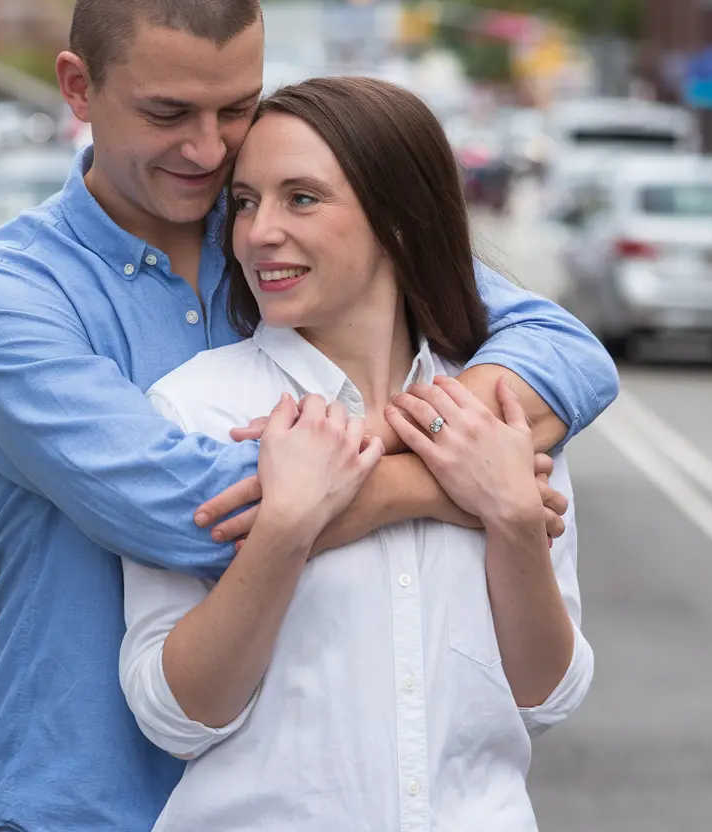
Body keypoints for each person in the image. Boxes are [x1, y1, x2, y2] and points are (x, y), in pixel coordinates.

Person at [0, 0, 618, 832]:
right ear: (78, 89)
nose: (210, 151)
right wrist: (453, 486)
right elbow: (187, 509)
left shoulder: (281, 249)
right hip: (82, 801)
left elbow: (564, 351)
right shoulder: (10, 294)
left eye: (237, 109)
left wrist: (441, 464)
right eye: (169, 113)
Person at [121, 76, 592, 830]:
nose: (258, 232)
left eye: (300, 199)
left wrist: (509, 517)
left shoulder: (502, 416)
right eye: (245, 202)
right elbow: (173, 717)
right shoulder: (198, 411)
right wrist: (285, 530)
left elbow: (549, 696)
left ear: (400, 221)